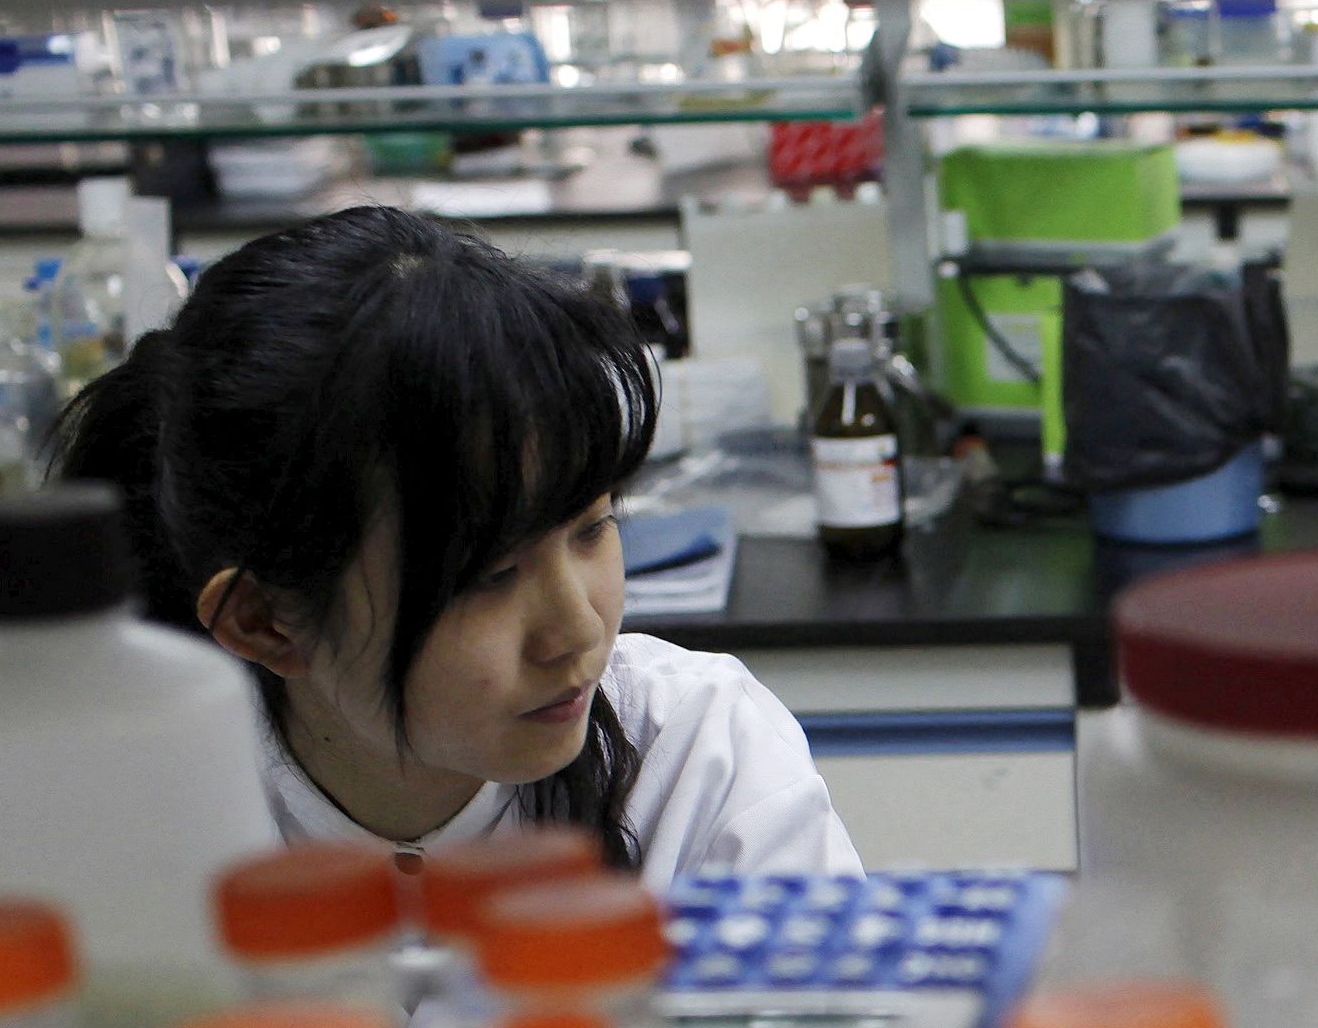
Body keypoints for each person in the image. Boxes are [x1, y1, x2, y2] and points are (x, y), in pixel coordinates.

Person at [53, 206, 854, 885]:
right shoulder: (139, 835)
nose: (577, 630)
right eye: (490, 576)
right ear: (265, 620)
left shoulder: (696, 756)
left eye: (592, 528)